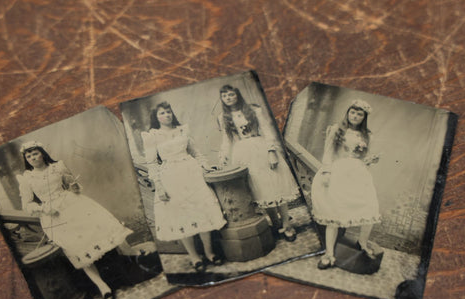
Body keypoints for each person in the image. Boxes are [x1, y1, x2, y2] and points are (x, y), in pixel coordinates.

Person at [18, 141, 133, 299]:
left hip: (73, 204)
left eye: (35, 153)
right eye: (28, 156)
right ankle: (102, 286)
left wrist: (74, 187)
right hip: (53, 215)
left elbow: (75, 186)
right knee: (77, 248)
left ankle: (127, 269)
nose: (32, 158)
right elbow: (27, 205)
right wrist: (43, 209)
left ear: (42, 153)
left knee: (102, 231)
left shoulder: (58, 167)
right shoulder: (27, 179)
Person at [141, 102, 226, 270]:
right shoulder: (152, 136)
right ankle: (194, 257)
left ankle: (209, 253)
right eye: (162, 113)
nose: (167, 115)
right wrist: (159, 185)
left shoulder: (183, 130)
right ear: (156, 118)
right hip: (170, 177)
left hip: (191, 173)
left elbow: (196, 153)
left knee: (201, 211)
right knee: (181, 215)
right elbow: (151, 163)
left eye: (168, 111)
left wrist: (206, 167)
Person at [217, 85, 300, 241]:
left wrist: (271, 152)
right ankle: (275, 224)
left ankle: (286, 224)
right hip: (243, 153)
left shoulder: (253, 110)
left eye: (231, 94)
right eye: (225, 96)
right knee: (261, 189)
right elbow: (227, 140)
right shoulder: (223, 117)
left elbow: (267, 131)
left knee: (276, 186)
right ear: (222, 99)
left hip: (260, 148)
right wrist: (223, 156)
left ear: (237, 95)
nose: (229, 98)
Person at [310, 99, 380, 269]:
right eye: (352, 112)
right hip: (338, 172)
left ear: (364, 117)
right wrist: (326, 173)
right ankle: (329, 254)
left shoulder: (367, 135)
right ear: (348, 113)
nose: (355, 116)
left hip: (358, 173)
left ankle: (362, 243)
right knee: (334, 213)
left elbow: (362, 157)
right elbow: (328, 154)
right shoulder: (336, 130)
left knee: (369, 207)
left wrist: (370, 160)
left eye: (359, 114)